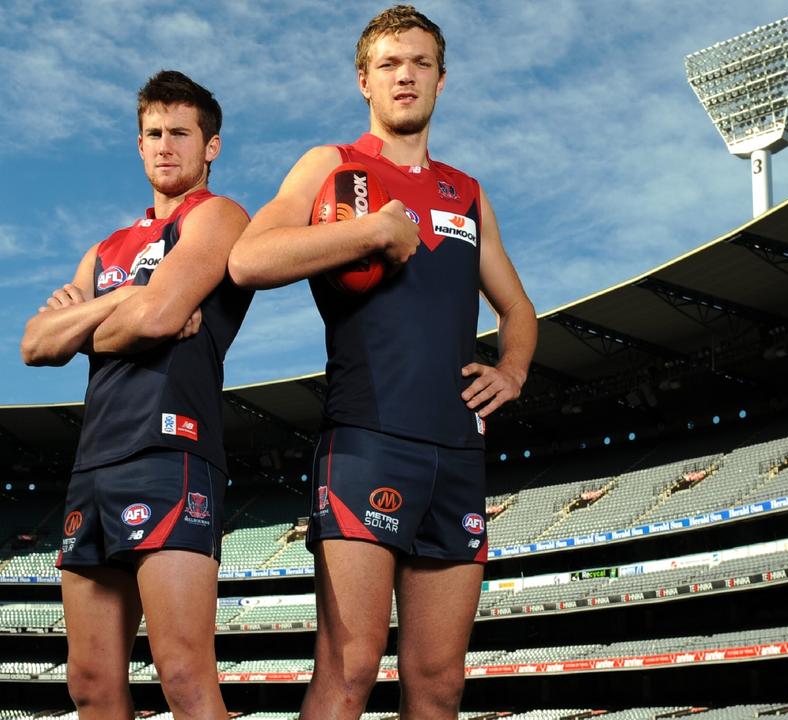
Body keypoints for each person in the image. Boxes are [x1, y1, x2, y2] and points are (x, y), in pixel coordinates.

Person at [228, 6, 537, 718]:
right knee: (351, 666)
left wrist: (512, 371)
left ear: (441, 79)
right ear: (364, 81)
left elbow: (519, 311)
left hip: (458, 452)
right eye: (390, 64)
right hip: (368, 440)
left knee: (439, 684)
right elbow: (248, 259)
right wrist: (369, 232)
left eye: (421, 63)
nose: (406, 75)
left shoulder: (468, 193)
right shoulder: (333, 167)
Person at [20, 70, 250, 720]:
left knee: (182, 675)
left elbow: (153, 322)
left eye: (181, 132)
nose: (165, 145)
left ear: (211, 146)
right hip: (94, 464)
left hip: (171, 453)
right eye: (153, 133)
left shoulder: (220, 216)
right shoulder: (106, 250)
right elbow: (36, 344)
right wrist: (127, 298)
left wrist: (91, 320)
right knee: (90, 685)